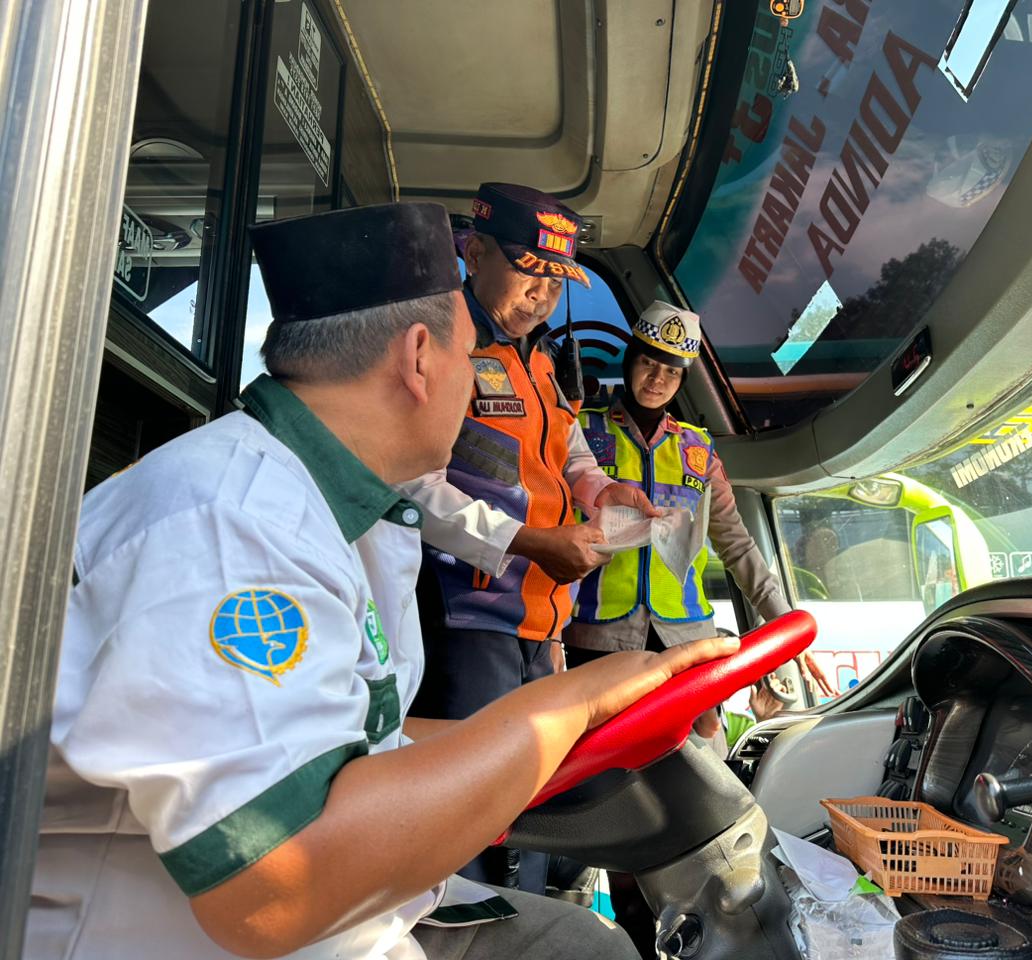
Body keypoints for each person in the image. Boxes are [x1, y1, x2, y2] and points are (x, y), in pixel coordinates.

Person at [26, 201, 738, 960]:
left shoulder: (337, 508)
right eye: (469, 359)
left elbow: (367, 743)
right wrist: (573, 701)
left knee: (583, 941)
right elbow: (274, 889)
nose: (473, 382)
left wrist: (567, 731)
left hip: (362, 918)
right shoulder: (231, 526)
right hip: (217, 937)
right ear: (420, 357)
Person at [406, 183, 656, 892]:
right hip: (462, 613)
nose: (543, 293)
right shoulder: (438, 345)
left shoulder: (539, 359)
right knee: (471, 811)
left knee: (531, 798)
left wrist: (602, 489)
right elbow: (410, 486)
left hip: (535, 620)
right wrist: (524, 542)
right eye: (528, 269)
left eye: (557, 278)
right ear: (474, 251)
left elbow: (571, 452)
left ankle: (531, 923)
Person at [563, 302, 792, 958]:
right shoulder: (584, 434)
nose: (657, 376)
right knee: (617, 801)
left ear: (684, 375)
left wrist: (786, 623)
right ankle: (640, 939)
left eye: (672, 367)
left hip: (687, 650)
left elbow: (738, 545)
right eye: (648, 360)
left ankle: (722, 929)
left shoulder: (698, 451)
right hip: (599, 643)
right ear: (629, 359)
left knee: (704, 792)